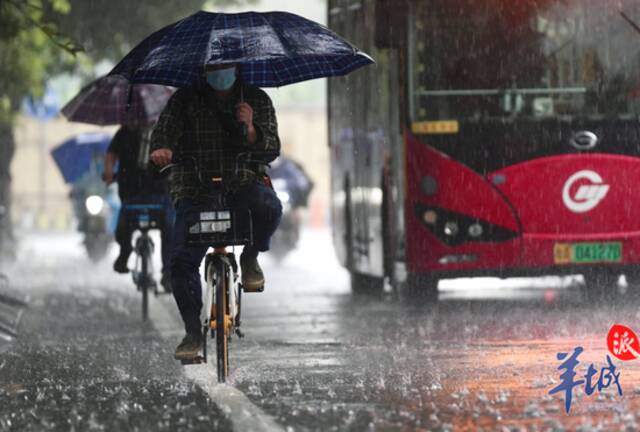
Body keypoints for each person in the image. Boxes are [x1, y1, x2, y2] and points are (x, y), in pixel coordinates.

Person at [150, 63, 282, 360]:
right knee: (181, 262)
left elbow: (272, 148)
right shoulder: (184, 100)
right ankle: (192, 333)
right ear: (204, 68)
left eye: (226, 65)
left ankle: (250, 258)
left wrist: (250, 129)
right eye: (214, 66)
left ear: (237, 68)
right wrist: (161, 151)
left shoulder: (257, 99)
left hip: (243, 186)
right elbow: (162, 135)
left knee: (270, 207)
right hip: (194, 190)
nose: (219, 71)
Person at [103, 124, 175, 291]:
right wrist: (108, 172)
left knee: (171, 228)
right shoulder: (123, 133)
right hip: (131, 193)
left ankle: (168, 273)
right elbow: (111, 154)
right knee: (122, 229)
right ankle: (125, 252)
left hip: (159, 194)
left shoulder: (165, 131)